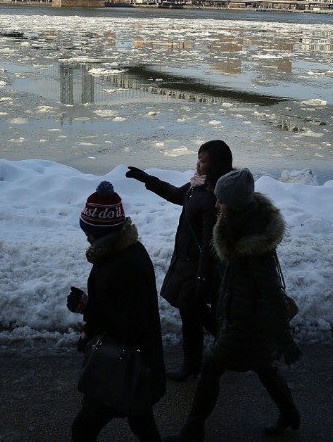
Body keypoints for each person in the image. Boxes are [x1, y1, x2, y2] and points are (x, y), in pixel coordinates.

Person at [165, 168, 302, 441]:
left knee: (212, 367)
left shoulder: (254, 246)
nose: (216, 205)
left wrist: (285, 340)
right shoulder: (238, 226)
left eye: (221, 201)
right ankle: (289, 412)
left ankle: (193, 430)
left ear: (235, 204)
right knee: (263, 366)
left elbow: (273, 293)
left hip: (246, 323)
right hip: (241, 315)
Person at [125, 140, 233, 381]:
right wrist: (148, 179)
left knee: (192, 316)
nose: (198, 164)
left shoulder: (212, 198)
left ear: (216, 165)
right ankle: (226, 349)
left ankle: (196, 363)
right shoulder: (198, 186)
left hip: (196, 267)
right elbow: (176, 194)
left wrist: (202, 279)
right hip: (186, 262)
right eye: (198, 158)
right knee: (195, 314)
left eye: (203, 161)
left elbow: (209, 246)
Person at [67, 181, 167, 442]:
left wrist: (88, 308)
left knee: (83, 429)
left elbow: (129, 325)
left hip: (123, 365)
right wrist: (90, 327)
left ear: (102, 232)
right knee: (141, 423)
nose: (86, 236)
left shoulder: (125, 265)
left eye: (89, 231)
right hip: (132, 363)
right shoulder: (116, 253)